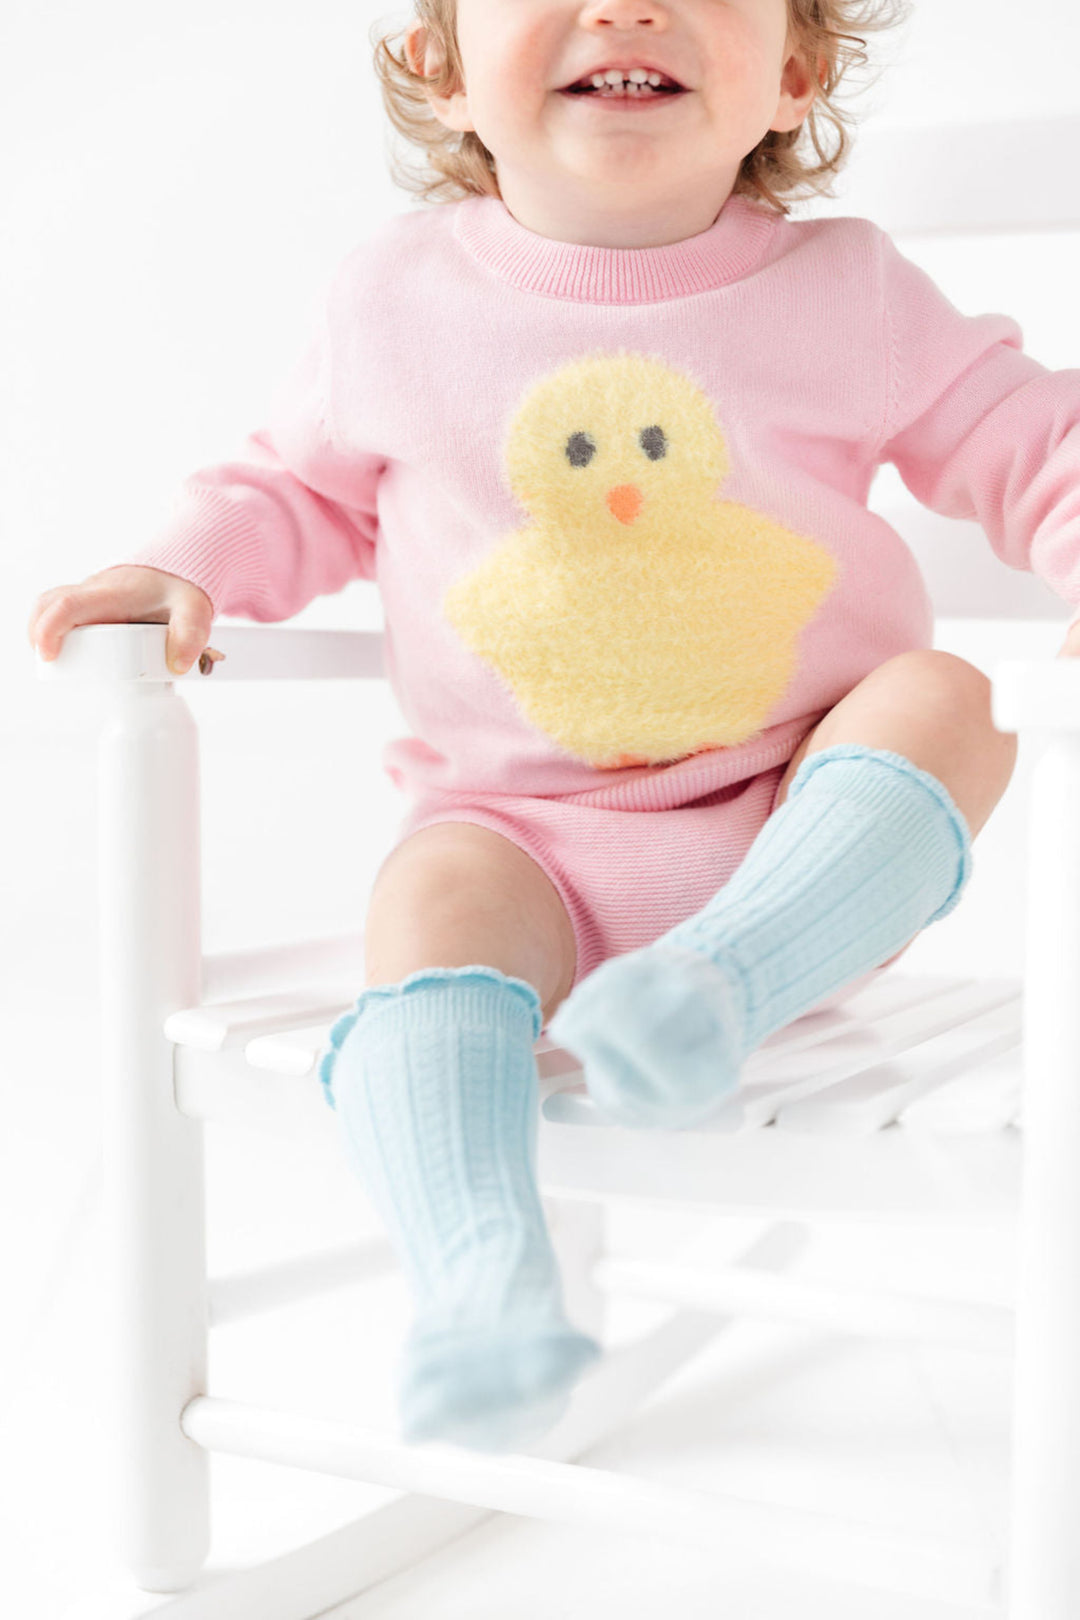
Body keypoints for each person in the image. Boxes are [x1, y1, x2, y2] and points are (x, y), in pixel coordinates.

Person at [27, 0, 1080, 1454]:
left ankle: (712, 990)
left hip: (805, 833)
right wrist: (187, 566)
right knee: (428, 894)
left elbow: (1042, 442)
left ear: (797, 70)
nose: (626, 3)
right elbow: (291, 490)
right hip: (521, 846)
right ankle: (478, 1283)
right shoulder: (391, 304)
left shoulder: (855, 293)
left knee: (949, 694)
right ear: (440, 69)